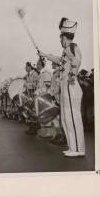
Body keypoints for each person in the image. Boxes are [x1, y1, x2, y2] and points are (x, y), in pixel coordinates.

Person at [39, 17, 85, 157]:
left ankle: (79, 149)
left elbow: (77, 60)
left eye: (61, 38)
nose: (60, 41)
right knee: (65, 118)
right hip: (65, 87)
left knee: (73, 117)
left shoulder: (72, 47)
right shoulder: (66, 51)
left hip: (71, 86)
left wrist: (72, 74)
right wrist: (46, 55)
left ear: (65, 37)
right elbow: (60, 60)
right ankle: (72, 147)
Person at [34, 57, 54, 138]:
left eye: (38, 64)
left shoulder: (45, 73)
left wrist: (39, 92)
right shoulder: (40, 74)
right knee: (43, 114)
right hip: (41, 97)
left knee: (47, 114)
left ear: (42, 65)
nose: (37, 66)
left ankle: (49, 133)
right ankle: (45, 132)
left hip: (45, 96)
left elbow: (48, 86)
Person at [47, 62, 67, 145]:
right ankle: (58, 135)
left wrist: (51, 93)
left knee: (60, 119)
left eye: (53, 64)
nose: (51, 65)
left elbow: (58, 86)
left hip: (59, 98)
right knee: (56, 118)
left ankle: (63, 137)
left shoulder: (59, 72)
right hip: (55, 97)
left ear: (56, 64)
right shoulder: (55, 72)